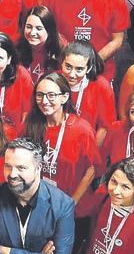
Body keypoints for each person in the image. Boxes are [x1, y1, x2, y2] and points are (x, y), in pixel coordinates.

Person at [26, 72, 100, 205]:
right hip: (39, 203)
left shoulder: (82, 130)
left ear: (64, 97)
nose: (44, 101)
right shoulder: (30, 125)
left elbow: (91, 170)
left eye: (51, 95)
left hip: (72, 207)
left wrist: (72, 203)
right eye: (40, 95)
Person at [59, 39, 117, 134]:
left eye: (79, 69)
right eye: (68, 67)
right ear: (62, 63)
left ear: (89, 68)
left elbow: (105, 127)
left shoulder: (101, 86)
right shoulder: (52, 81)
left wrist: (91, 148)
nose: (72, 74)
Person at [17, 5, 64, 82]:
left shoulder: (62, 49)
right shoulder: (16, 44)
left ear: (49, 30)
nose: (32, 33)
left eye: (39, 28)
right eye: (29, 27)